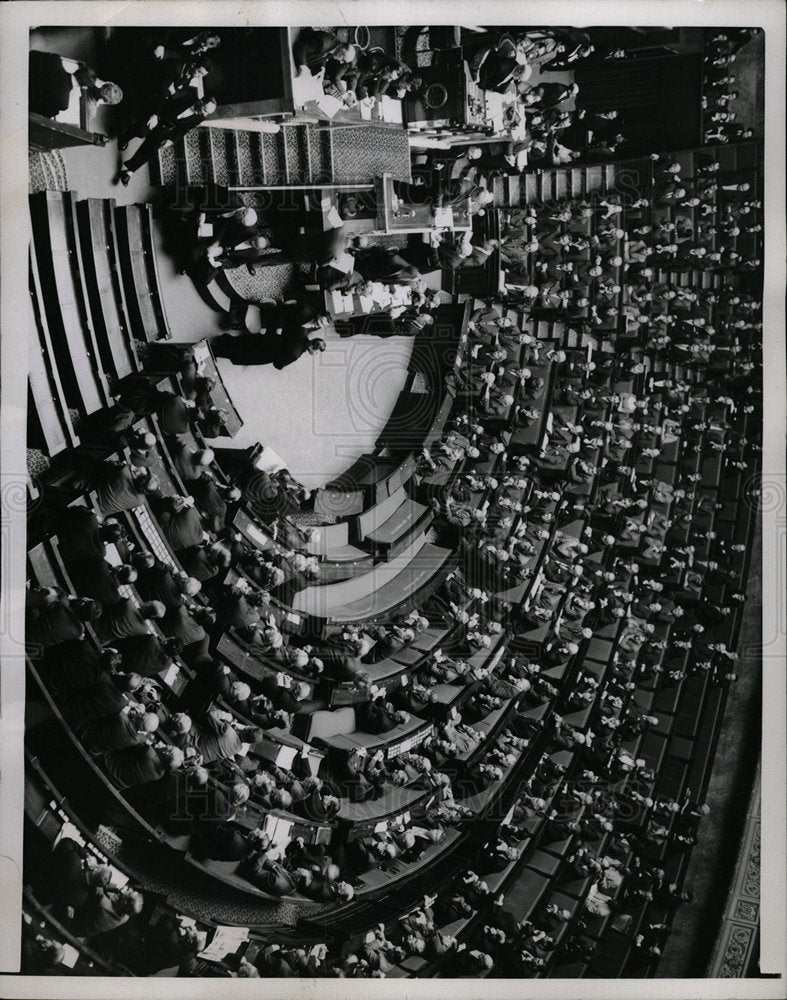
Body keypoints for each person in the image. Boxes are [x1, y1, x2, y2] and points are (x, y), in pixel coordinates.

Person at [116, 96, 218, 185]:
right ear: (201, 102)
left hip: (165, 128)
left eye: (208, 113)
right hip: (158, 116)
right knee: (141, 131)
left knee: (153, 149)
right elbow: (165, 101)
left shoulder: (200, 118)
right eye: (205, 110)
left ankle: (129, 172)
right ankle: (125, 138)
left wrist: (171, 140)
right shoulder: (189, 98)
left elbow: (183, 129)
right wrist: (154, 115)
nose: (205, 114)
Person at [29, 50, 123, 119]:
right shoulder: (64, 103)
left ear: (78, 69)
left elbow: (32, 54)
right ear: (83, 86)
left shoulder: (55, 59)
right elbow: (42, 113)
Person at [212, 328, 326, 369]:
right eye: (317, 352)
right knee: (240, 354)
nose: (315, 354)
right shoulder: (296, 354)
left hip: (268, 339)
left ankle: (223, 339)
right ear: (313, 348)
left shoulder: (302, 331)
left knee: (244, 341)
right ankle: (215, 351)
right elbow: (278, 365)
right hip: (265, 354)